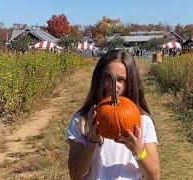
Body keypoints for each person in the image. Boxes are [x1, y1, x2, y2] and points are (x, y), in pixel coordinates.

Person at [66, 50, 160, 180]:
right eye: (107, 78)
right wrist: (92, 140)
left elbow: (154, 176)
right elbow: (75, 175)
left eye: (121, 80)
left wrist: (138, 151)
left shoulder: (143, 121)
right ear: (98, 79)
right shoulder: (82, 120)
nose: (113, 86)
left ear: (131, 82)